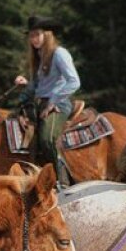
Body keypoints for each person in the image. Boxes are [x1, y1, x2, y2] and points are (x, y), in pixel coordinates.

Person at [14, 16, 81, 180]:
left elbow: (74, 81)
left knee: (47, 138)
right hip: (41, 103)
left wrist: (53, 101)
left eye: (37, 34)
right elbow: (38, 85)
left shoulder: (59, 54)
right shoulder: (40, 56)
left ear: (47, 34)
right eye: (31, 36)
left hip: (59, 103)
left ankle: (61, 179)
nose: (33, 39)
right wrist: (23, 91)